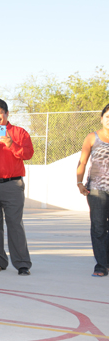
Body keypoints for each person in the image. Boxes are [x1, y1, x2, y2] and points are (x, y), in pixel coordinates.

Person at [0, 99, 34, 276]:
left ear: (7, 114)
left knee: (15, 224)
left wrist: (12, 144)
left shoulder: (19, 133)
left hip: (13, 185)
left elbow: (28, 154)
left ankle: (22, 263)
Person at [77, 104, 109, 277]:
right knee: (98, 227)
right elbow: (82, 162)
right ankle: (101, 265)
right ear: (102, 118)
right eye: (107, 117)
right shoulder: (92, 137)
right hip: (97, 190)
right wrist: (79, 182)